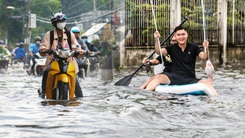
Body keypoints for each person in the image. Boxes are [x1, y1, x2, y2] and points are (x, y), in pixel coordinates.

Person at [142, 25, 218, 96]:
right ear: (175, 36)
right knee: (157, 78)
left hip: (190, 78)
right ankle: (145, 95)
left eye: (183, 34)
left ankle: (217, 100)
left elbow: (205, 57)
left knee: (207, 84)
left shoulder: (194, 47)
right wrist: (156, 39)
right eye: (178, 35)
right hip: (174, 76)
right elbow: (159, 51)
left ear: (187, 35)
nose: (181, 37)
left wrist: (206, 48)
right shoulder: (171, 48)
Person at [38, 11, 84, 98]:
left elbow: (76, 45)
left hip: (69, 61)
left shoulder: (70, 34)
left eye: (63, 21)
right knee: (46, 72)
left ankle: (79, 98)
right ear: (55, 23)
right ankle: (44, 92)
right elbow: (44, 46)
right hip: (53, 61)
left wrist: (79, 51)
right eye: (59, 22)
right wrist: (45, 50)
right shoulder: (49, 34)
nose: (61, 23)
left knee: (77, 86)